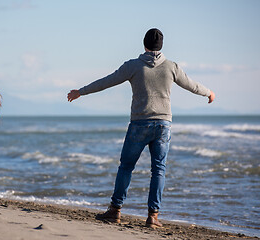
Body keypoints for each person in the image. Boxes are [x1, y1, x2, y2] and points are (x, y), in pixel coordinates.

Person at [67, 28, 215, 228]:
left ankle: (115, 210)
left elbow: (107, 82)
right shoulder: (172, 67)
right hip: (163, 125)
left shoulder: (133, 66)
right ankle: (153, 217)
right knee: (158, 170)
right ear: (161, 46)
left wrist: (81, 92)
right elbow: (192, 85)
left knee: (126, 167)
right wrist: (209, 93)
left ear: (144, 44)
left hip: (139, 123)